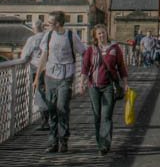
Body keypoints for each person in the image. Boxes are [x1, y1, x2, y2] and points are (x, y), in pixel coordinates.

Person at [34, 12, 86, 153]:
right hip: (50, 75)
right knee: (52, 109)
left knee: (62, 107)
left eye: (50, 22)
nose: (47, 25)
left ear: (57, 23)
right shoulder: (48, 36)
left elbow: (84, 52)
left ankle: (63, 140)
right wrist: (37, 76)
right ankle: (53, 141)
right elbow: (44, 56)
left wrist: (84, 76)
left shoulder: (71, 36)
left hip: (66, 75)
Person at [81, 24, 129, 155]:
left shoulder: (115, 48)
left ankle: (105, 145)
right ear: (95, 36)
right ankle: (99, 142)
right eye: (99, 34)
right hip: (94, 86)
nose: (102, 36)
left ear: (106, 34)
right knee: (97, 116)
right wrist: (82, 83)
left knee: (106, 116)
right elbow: (85, 67)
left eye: (103, 33)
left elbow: (121, 67)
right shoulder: (91, 49)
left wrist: (125, 83)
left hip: (109, 86)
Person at [21, 17, 49, 129]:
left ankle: (44, 121)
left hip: (37, 70)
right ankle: (52, 119)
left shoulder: (33, 39)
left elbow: (24, 56)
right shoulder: (48, 37)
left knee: (40, 94)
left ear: (33, 29)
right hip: (51, 70)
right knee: (50, 94)